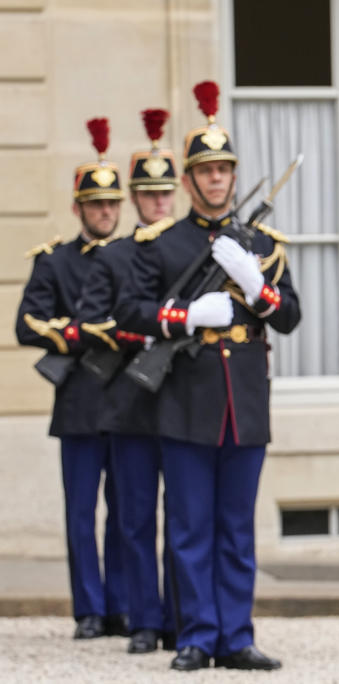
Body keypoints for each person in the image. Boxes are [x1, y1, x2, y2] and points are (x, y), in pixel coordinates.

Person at [115, 81, 300, 671]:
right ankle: (196, 634)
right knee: (190, 527)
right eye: (206, 170)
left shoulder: (263, 245)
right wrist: (187, 316)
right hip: (186, 396)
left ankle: (236, 635)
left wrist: (255, 285)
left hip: (242, 398)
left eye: (224, 169)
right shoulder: (162, 243)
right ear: (189, 179)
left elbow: (290, 317)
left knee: (235, 528)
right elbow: (130, 312)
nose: (217, 179)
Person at [15, 119, 128, 639]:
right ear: (77, 208)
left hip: (127, 403)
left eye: (111, 205)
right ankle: (87, 609)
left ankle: (123, 606)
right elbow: (27, 324)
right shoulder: (53, 261)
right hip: (80, 401)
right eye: (95, 204)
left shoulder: (133, 256)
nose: (105, 212)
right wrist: (82, 333)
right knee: (81, 515)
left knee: (127, 516)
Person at [77, 108, 179, 654]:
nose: (158, 202)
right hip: (129, 401)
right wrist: (139, 338)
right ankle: (144, 618)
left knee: (184, 522)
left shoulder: (189, 247)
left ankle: (180, 618)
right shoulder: (114, 257)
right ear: (135, 198)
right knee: (135, 518)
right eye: (149, 194)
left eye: (166, 193)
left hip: (183, 400)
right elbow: (92, 322)